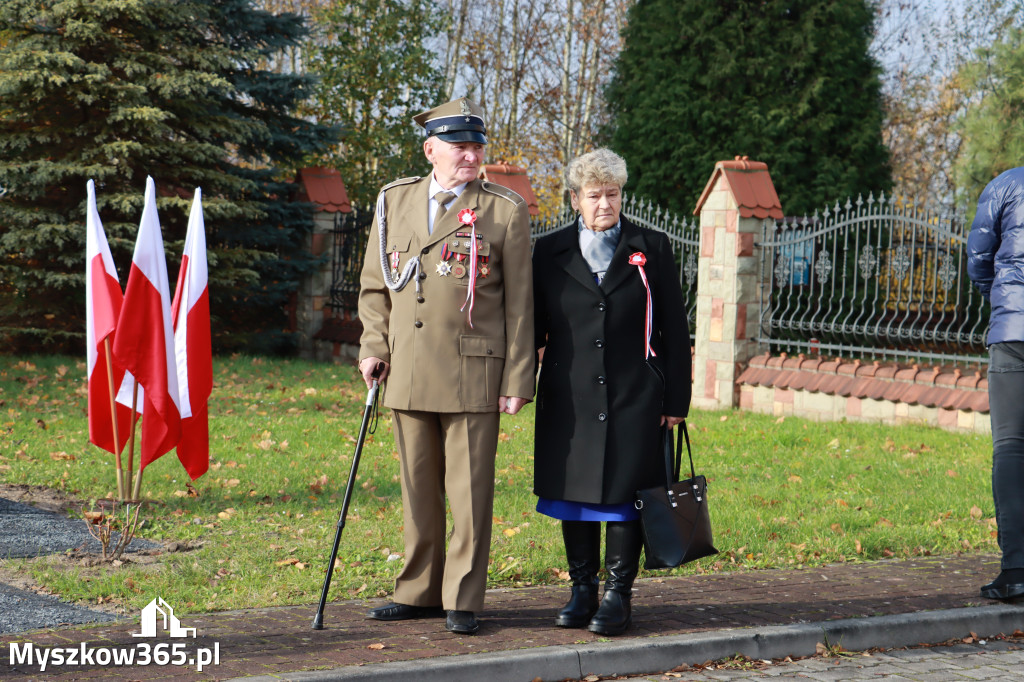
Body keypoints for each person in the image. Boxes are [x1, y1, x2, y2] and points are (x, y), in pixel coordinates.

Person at [356, 97, 535, 634]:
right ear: (430, 148)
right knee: (417, 487)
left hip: (473, 371)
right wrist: (373, 346)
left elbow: (522, 305)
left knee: (470, 493)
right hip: (405, 369)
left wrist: (518, 377)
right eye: (459, 146)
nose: (470, 155)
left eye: (476, 146)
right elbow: (374, 288)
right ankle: (417, 592)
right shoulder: (394, 200)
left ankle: (462, 597)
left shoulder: (503, 209)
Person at [531, 148, 691, 635]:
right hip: (570, 396)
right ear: (575, 199)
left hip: (636, 394)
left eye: (613, 194)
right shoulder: (549, 250)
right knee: (575, 494)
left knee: (626, 495)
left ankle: (618, 594)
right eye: (595, 195)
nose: (605, 204)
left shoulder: (652, 246)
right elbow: (532, 327)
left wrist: (675, 402)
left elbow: (673, 328)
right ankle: (582, 590)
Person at [966, 166, 1024, 602]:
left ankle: (1017, 569)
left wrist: (1002, 299)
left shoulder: (1007, 184)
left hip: (1014, 334)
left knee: (1010, 446)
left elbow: (978, 258)